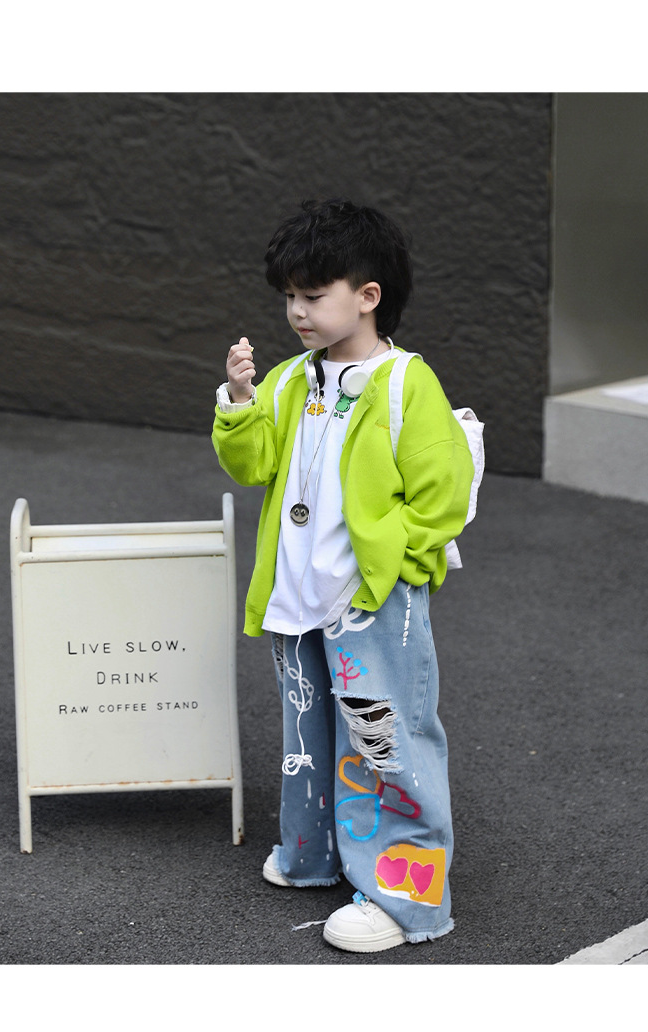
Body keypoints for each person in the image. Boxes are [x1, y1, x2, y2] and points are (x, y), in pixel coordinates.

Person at [212, 198, 474, 952]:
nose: (296, 310)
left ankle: (405, 899)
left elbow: (443, 491)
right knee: (308, 733)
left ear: (368, 295)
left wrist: (397, 563)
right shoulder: (292, 379)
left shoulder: (404, 382)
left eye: (312, 294)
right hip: (299, 601)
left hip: (366, 600)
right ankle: (315, 853)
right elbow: (253, 464)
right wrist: (240, 403)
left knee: (385, 739)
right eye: (289, 296)